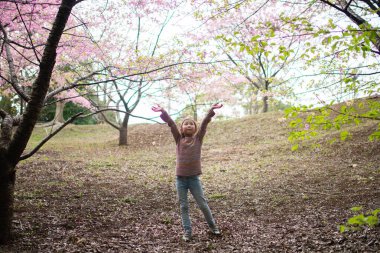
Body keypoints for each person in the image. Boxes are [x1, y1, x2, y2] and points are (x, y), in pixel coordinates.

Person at [151, 103, 223, 242]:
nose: (189, 125)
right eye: (186, 124)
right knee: (183, 206)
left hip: (194, 179)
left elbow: (204, 125)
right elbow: (171, 124)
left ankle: (213, 227)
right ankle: (187, 231)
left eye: (192, 124)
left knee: (202, 204)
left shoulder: (198, 139)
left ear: (195, 128)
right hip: (180, 180)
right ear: (182, 128)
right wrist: (163, 111)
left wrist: (211, 111)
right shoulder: (179, 139)